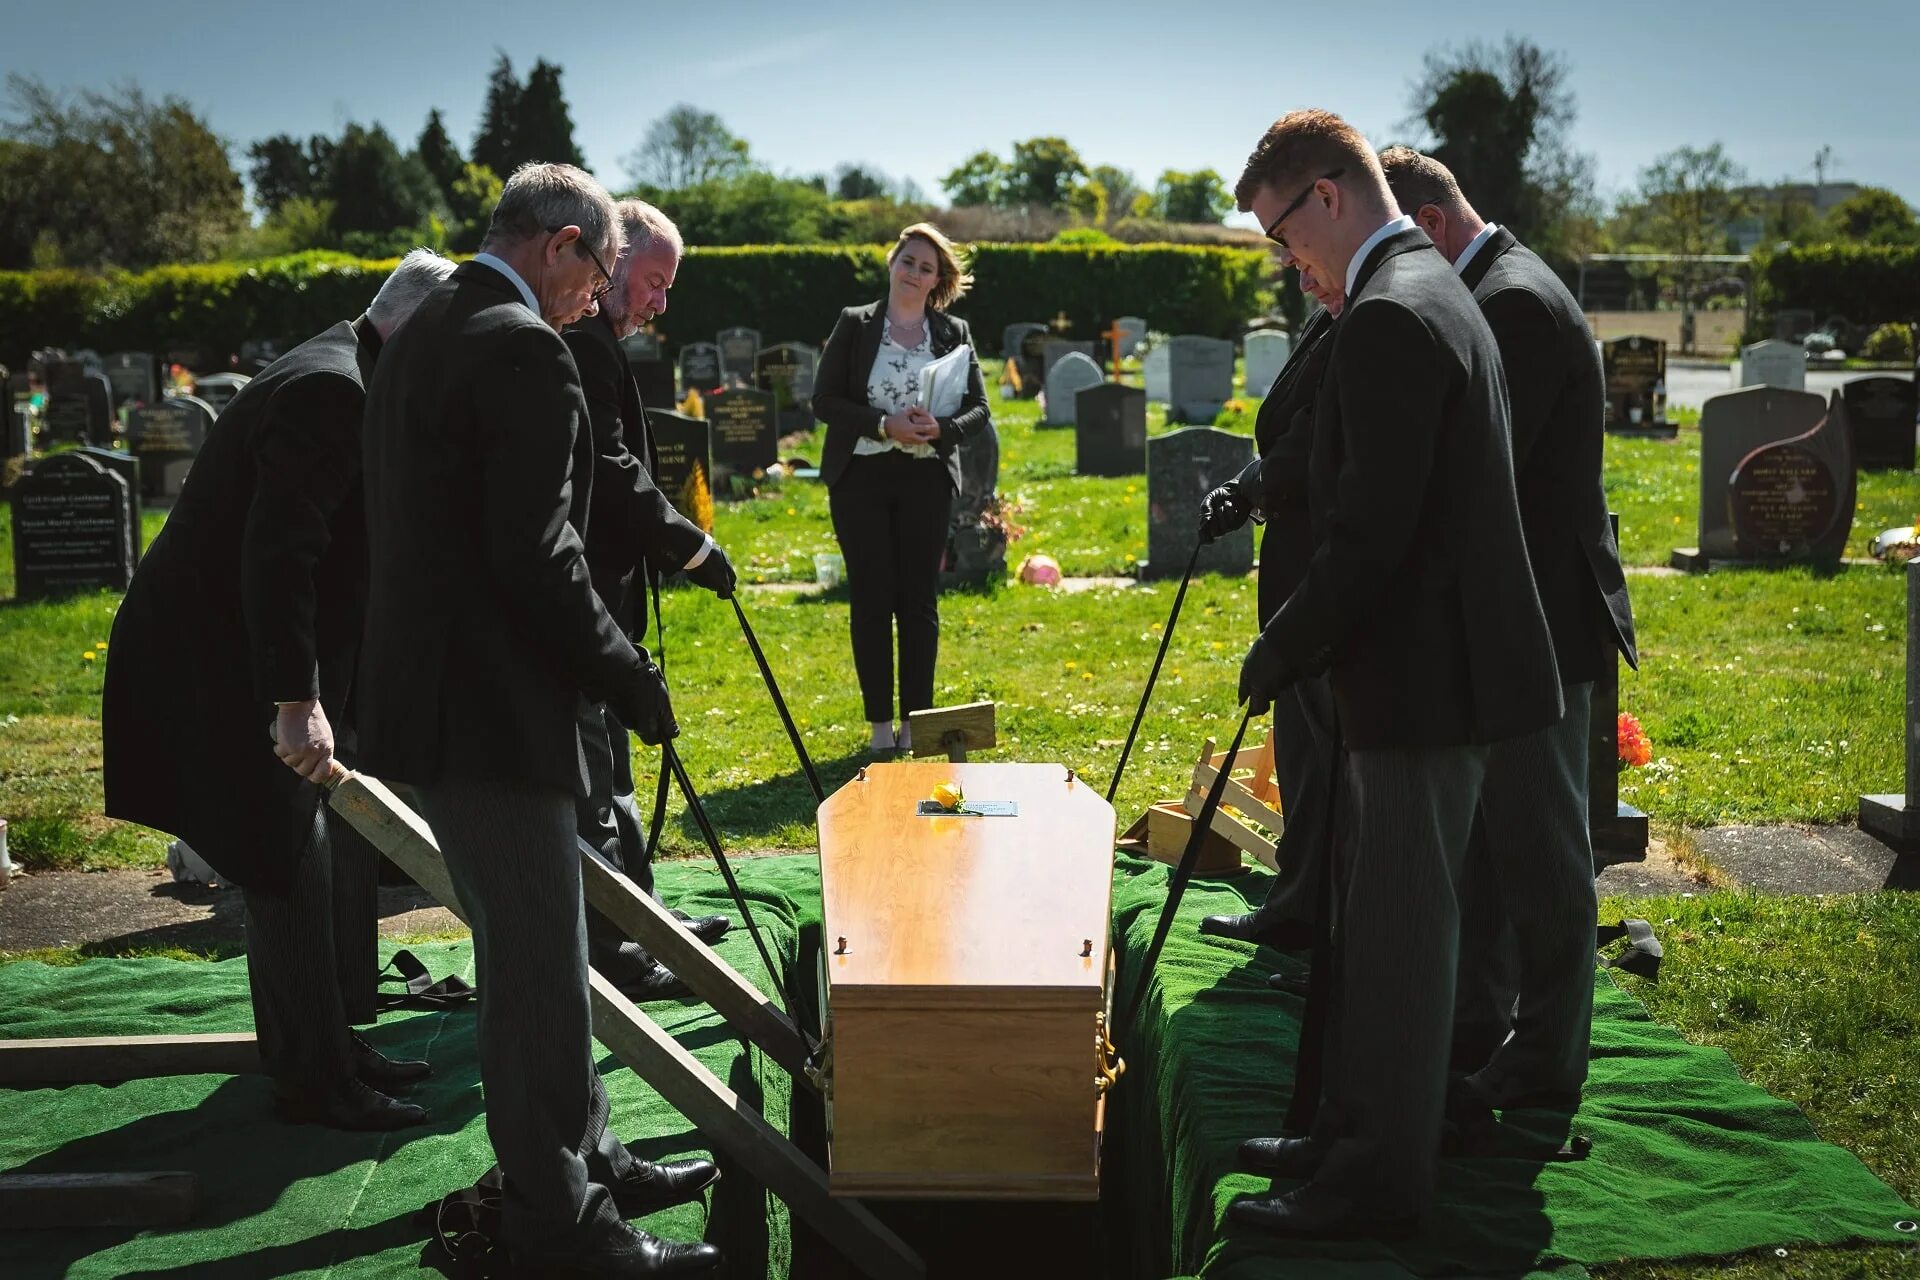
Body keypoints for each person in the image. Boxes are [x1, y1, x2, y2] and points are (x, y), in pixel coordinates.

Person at [355, 163, 721, 1277]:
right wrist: (626, 671)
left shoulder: (422, 324)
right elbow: (538, 551)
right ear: (562, 244)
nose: (598, 298)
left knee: (547, 952)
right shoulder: (522, 344)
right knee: (532, 973)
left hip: (439, 700)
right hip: (492, 711)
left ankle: (593, 1155)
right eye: (601, 271)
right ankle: (565, 1227)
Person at [1226, 110, 1562, 1238]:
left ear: (1326, 195)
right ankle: (1341, 1132)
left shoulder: (1388, 313)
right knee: (1376, 931)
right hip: (1422, 678)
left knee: (1406, 948)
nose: (1288, 263)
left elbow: (1374, 533)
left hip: (1424, 685)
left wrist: (1284, 646)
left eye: (1282, 235)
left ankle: (1373, 1182)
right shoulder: (1426, 284)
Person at [103, 249, 457, 1132]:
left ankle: (331, 1047)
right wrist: (295, 702)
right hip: (220, 667)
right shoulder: (332, 389)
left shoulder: (352, 367)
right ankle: (316, 1082)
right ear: (412, 327)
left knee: (316, 852)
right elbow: (281, 559)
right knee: (285, 860)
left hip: (249, 657)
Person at [1379, 145, 1637, 1108]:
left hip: (1545, 622)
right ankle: (1482, 1030)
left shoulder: (1514, 303)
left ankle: (1547, 1061)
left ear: (1433, 227)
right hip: (1507, 614)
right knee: (1495, 844)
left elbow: (1477, 472)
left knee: (1542, 853)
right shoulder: (1493, 287)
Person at [563, 198, 735, 1002]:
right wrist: (692, 546)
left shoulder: (598, 340)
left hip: (612, 600)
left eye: (668, 290)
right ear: (612, 258)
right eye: (653, 282)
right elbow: (614, 467)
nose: (659, 303)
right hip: (581, 600)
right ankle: (623, 954)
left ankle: (643, 922)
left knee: (618, 775)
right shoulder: (582, 344)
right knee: (597, 787)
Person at [1196, 258, 1343, 952]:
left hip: (1328, 569)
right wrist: (1248, 486)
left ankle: (1315, 914)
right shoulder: (1336, 312)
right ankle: (1298, 902)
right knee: (1302, 751)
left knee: (1323, 757)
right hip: (1297, 565)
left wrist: (1254, 486)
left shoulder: (1375, 314)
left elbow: (1319, 437)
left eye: (1305, 255)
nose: (1300, 275)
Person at [812, 222, 989, 755]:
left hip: (925, 480)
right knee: (870, 599)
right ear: (891, 264)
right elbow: (825, 401)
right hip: (860, 477)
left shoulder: (954, 333)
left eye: (926, 267)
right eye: (907, 261)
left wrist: (943, 428)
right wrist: (884, 425)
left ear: (938, 281)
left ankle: (916, 724)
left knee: (918, 602)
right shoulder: (855, 324)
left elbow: (979, 409)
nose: (914, 272)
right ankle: (879, 729)